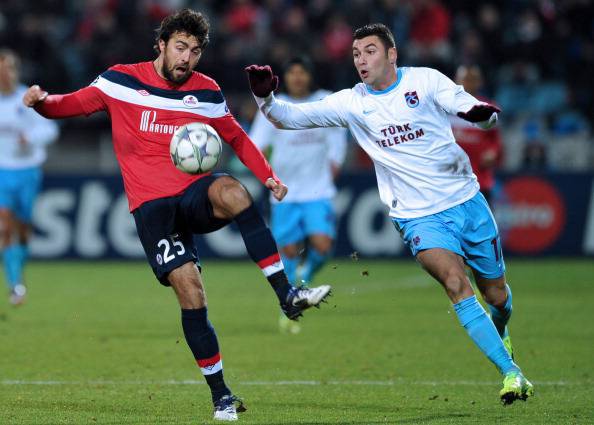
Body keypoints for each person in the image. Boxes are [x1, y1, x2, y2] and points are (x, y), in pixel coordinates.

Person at [22, 9, 331, 422]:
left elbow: (237, 137)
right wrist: (41, 102)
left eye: (195, 51)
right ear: (161, 45)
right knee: (191, 291)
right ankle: (221, 396)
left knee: (234, 190)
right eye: (181, 47)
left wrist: (269, 177)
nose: (187, 58)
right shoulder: (120, 81)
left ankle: (286, 295)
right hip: (153, 208)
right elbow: (69, 105)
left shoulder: (206, 91)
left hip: (193, 193)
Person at [245, 23, 533, 405]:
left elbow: (469, 107)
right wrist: (265, 98)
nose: (361, 60)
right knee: (454, 282)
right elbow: (289, 117)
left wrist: (483, 118)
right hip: (416, 216)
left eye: (369, 51)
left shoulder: (425, 81)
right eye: (355, 54)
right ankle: (511, 373)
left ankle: (501, 329)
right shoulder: (352, 102)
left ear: (391, 54)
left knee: (496, 295)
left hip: (467, 201)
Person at [248, 56, 347, 333]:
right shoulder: (273, 106)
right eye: (292, 72)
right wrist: (268, 176)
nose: (297, 77)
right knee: (289, 251)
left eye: (302, 72)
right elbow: (256, 145)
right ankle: (289, 307)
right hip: (286, 193)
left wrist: (333, 167)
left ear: (310, 76)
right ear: (285, 78)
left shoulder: (324, 101)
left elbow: (337, 142)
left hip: (318, 189)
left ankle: (304, 276)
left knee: (323, 246)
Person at [0, 49, 58, 305]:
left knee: (22, 229)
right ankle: (15, 284)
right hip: (2, 171)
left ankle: (18, 269)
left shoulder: (28, 98)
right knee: (5, 226)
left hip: (28, 171)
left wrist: (30, 138)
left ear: (16, 71)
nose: (5, 75)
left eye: (9, 69)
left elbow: (51, 128)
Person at [449, 65, 503, 204]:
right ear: (456, 81)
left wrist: (493, 152)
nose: (469, 83)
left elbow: (496, 140)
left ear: (480, 82)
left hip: (480, 179)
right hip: (450, 179)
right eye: (465, 79)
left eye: (473, 79)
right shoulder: (446, 106)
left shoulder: (487, 107)